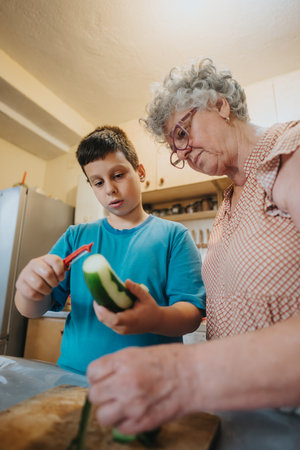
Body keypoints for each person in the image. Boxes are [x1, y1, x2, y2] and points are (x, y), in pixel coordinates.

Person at [87, 59, 300, 433]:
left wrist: (186, 374)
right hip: (242, 415)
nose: (182, 153)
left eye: (182, 133)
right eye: (175, 148)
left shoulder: (286, 153)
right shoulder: (231, 199)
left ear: (220, 105)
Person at [15, 125, 205, 375]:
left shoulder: (174, 236)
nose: (109, 189)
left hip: (150, 382)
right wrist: (28, 290)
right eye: (98, 182)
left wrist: (155, 318)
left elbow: (190, 315)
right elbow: (33, 309)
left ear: (140, 172)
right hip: (75, 379)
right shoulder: (76, 237)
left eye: (118, 175)